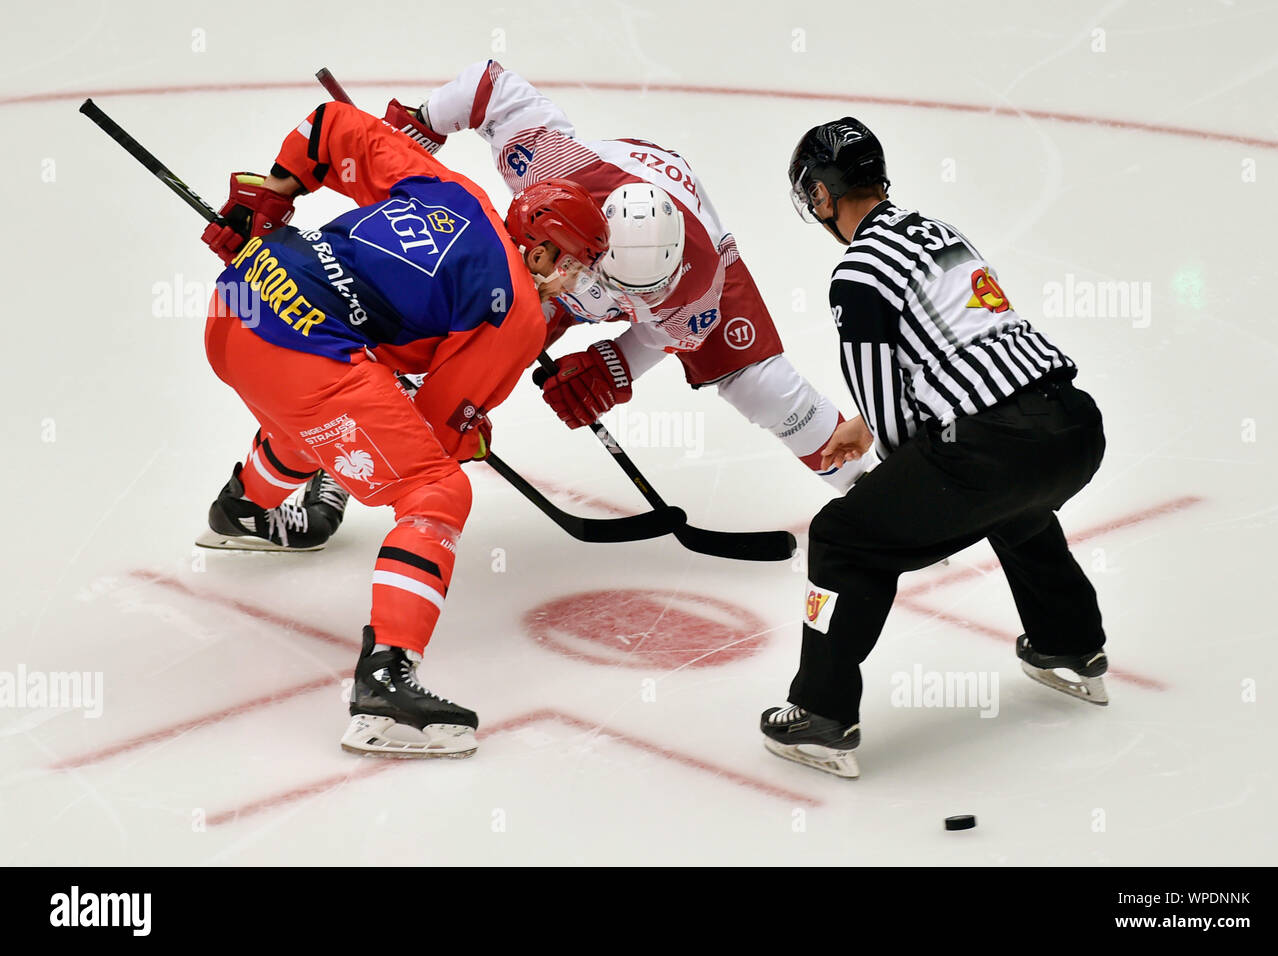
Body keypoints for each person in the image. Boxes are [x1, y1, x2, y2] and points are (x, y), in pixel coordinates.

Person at [199, 99, 609, 757]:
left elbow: (330, 125)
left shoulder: (460, 192)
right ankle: (385, 687)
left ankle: (245, 507)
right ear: (539, 252)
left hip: (241, 296)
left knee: (333, 422)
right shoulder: (521, 315)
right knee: (436, 491)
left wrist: (272, 197)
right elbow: (434, 429)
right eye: (574, 263)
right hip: (303, 355)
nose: (576, 282)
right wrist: (467, 436)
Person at [760, 118, 1109, 779]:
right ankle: (1070, 645)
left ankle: (823, 717)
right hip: (1070, 427)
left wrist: (889, 498)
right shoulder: (939, 233)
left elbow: (896, 429)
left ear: (823, 195)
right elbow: (968, 341)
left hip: (990, 445)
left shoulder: (857, 273)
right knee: (1012, 502)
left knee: (842, 538)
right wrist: (869, 422)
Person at [396, 60, 869, 491]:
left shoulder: (698, 288)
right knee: (440, 316)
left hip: (613, 264)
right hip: (554, 253)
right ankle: (359, 424)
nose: (629, 302)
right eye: (619, 286)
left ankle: (865, 490)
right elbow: (489, 86)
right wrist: (422, 123)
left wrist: (611, 366)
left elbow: (660, 331)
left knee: (762, 387)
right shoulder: (551, 165)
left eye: (647, 292)